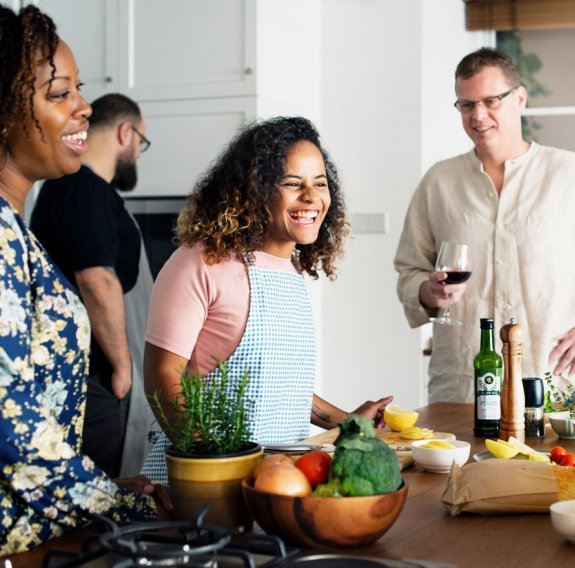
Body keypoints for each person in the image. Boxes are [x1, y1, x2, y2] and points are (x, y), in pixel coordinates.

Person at [0, 4, 171, 554]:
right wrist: (118, 502)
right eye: (59, 94)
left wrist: (102, 488)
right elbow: (13, 426)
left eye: (78, 90)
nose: (82, 108)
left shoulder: (17, 230)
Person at [141, 116, 394, 483]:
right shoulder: (199, 262)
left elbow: (279, 385)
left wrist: (348, 421)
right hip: (198, 488)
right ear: (254, 189)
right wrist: (214, 465)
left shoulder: (290, 272)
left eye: (319, 184)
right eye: (293, 183)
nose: (311, 197)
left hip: (274, 484)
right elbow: (161, 377)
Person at [394, 47, 575, 404]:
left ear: (519, 98)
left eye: (491, 101)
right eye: (466, 104)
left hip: (553, 382)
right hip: (462, 386)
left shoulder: (567, 175)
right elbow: (409, 271)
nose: (478, 116)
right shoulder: (439, 182)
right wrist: (427, 293)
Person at [31, 93, 155, 478]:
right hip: (97, 383)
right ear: (125, 132)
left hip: (92, 380)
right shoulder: (83, 189)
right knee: (100, 510)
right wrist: (122, 367)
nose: (138, 154)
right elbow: (96, 280)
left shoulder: (83, 190)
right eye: (141, 143)